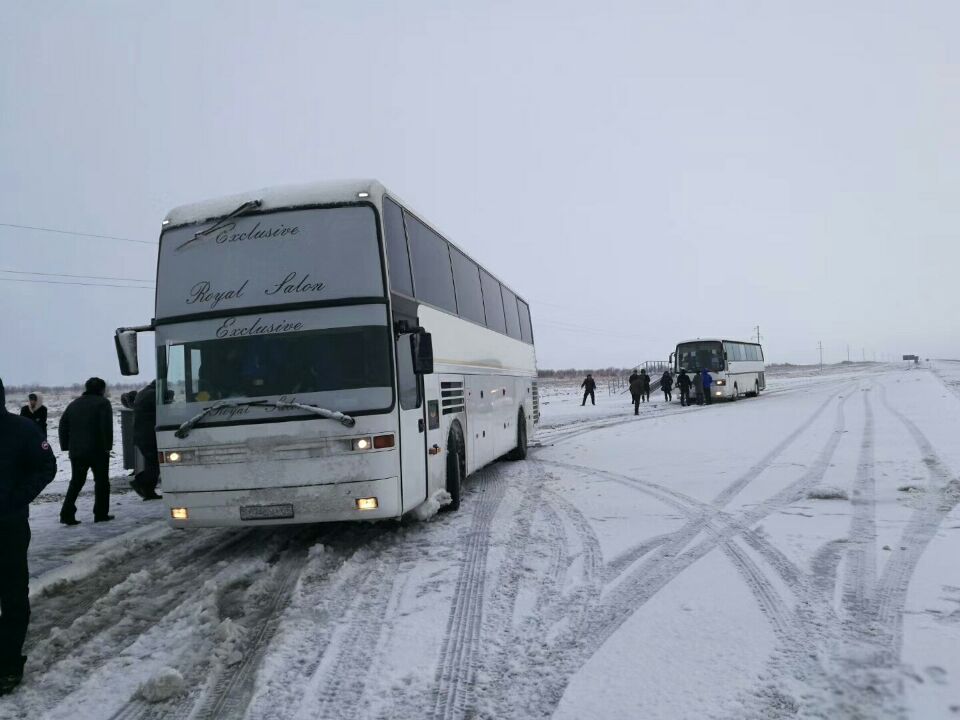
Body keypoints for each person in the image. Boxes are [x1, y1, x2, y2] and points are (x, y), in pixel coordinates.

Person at [0, 377, 57, 695]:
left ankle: (8, 665)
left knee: (12, 596)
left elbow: (46, 466)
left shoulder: (21, 429)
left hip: (8, 526)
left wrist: (16, 498)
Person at [58, 377, 114, 525]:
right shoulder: (103, 403)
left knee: (76, 482)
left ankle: (66, 513)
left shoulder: (74, 404)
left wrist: (66, 446)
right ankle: (100, 514)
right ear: (102, 389)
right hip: (98, 450)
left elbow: (63, 425)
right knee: (102, 482)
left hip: (77, 451)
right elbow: (106, 426)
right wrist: (107, 446)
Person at [130, 380, 161, 500]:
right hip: (148, 435)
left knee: (151, 463)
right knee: (155, 463)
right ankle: (140, 482)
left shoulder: (143, 393)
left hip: (142, 435)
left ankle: (148, 492)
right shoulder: (153, 394)